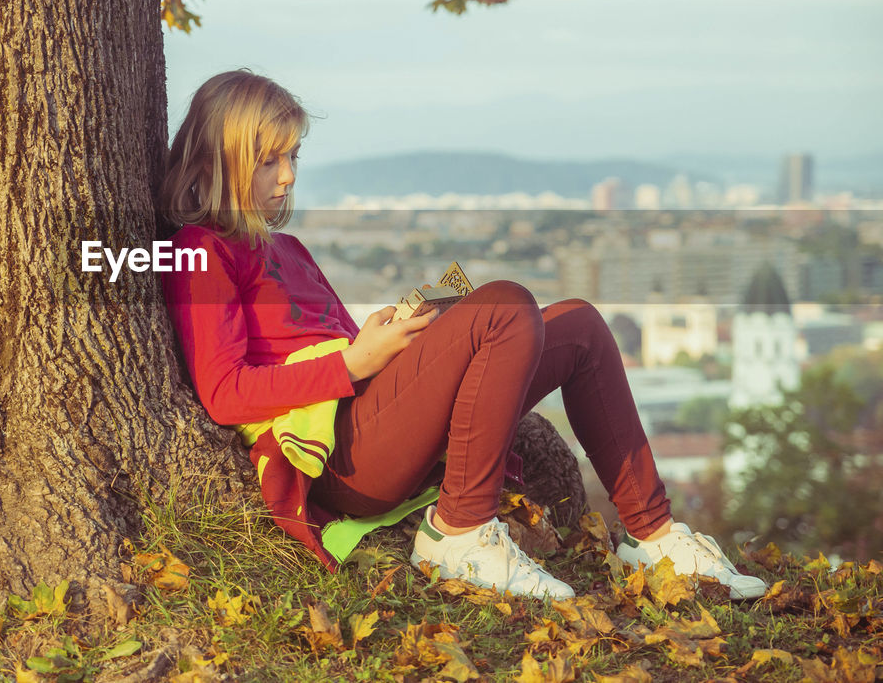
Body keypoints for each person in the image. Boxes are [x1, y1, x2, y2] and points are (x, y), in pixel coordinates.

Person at [158, 69, 766, 601]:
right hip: (340, 457)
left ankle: (654, 536)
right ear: (221, 158)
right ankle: (460, 532)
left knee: (578, 323)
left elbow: (338, 347)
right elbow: (223, 391)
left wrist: (384, 339)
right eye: (270, 160)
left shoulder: (286, 247)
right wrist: (352, 363)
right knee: (503, 306)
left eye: (294, 156)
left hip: (371, 419)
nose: (288, 176)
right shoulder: (199, 249)